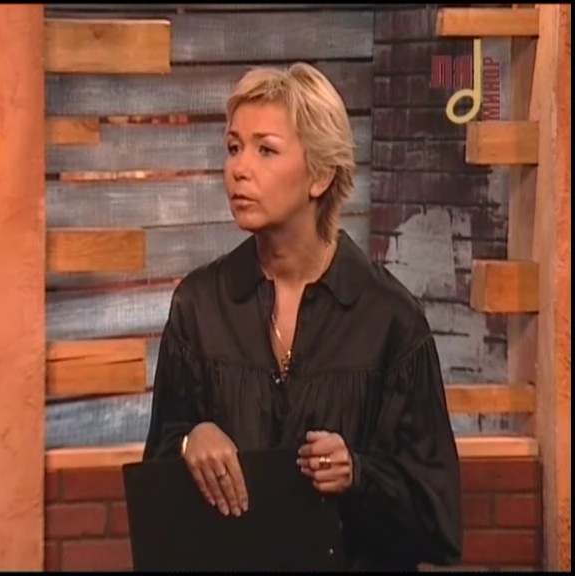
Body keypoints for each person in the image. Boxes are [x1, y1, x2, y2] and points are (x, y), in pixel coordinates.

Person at [143, 62, 462, 570]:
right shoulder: (198, 306)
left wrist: (358, 474)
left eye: (265, 150)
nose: (239, 169)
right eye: (233, 147)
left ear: (320, 175)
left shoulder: (390, 319)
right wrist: (188, 440)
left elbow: (437, 518)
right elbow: (157, 486)